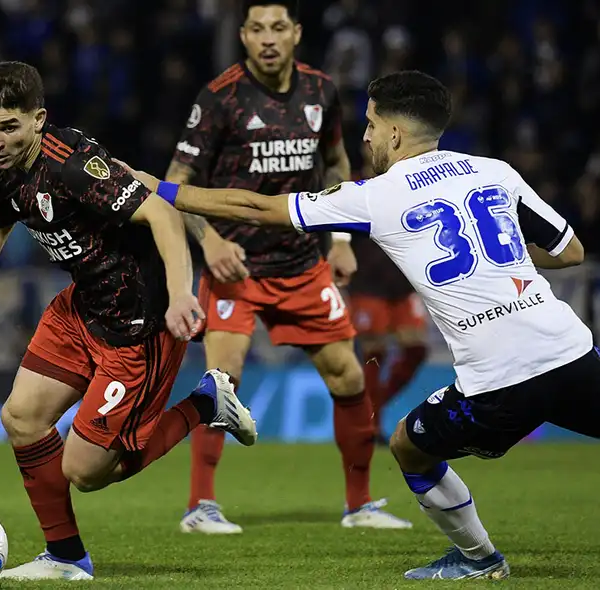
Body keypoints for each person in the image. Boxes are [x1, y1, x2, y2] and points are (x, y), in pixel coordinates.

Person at [120, 69, 597, 580]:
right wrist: (501, 261)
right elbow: (570, 251)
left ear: (395, 133)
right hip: (572, 352)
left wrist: (160, 188)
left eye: (371, 125)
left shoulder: (377, 195)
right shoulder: (496, 171)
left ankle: (479, 558)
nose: (365, 137)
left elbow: (256, 207)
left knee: (408, 446)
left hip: (499, 382)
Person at [0, 61, 257, 582]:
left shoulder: (73, 165)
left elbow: (163, 214)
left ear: (38, 120)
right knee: (21, 418)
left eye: (9, 127)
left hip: (137, 326)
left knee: (85, 471)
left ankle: (205, 403)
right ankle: (65, 557)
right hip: (81, 307)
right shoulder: (2, 173)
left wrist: (179, 295)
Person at [166, 0, 409, 531]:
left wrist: (340, 239)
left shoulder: (321, 91)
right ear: (244, 36)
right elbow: (175, 184)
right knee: (222, 382)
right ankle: (200, 507)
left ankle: (360, 505)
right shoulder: (220, 97)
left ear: (296, 32)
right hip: (236, 265)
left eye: (278, 27)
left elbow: (338, 164)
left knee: (349, 376)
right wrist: (210, 241)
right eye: (257, 29)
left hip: (302, 264)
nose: (268, 38)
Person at [348, 147, 429, 443]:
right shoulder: (352, 186)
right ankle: (370, 428)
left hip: (403, 280)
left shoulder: (408, 183)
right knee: (374, 353)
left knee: (416, 349)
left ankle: (373, 409)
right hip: (368, 281)